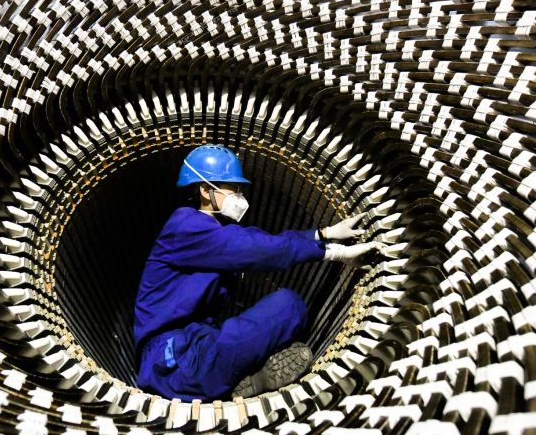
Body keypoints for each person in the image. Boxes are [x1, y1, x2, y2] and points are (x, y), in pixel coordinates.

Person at [134, 144, 380, 401]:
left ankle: (244, 381)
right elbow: (259, 248)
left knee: (290, 307)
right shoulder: (184, 225)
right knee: (285, 305)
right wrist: (331, 252)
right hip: (169, 361)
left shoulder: (214, 234)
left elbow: (260, 240)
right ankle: (239, 380)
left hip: (200, 346)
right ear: (205, 190)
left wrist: (323, 234)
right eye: (232, 187)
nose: (239, 195)